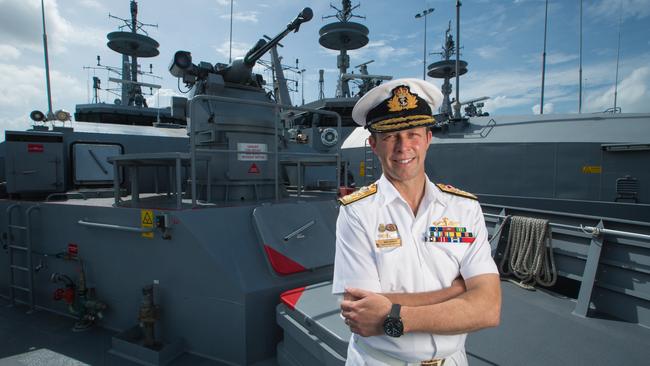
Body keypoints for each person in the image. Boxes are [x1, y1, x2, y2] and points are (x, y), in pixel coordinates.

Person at [332, 78, 501, 366]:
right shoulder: (357, 212)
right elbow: (362, 315)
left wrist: (394, 314)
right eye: (390, 136)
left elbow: (488, 309)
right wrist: (458, 292)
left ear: (428, 138)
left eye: (412, 133)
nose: (403, 146)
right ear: (373, 144)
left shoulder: (465, 208)